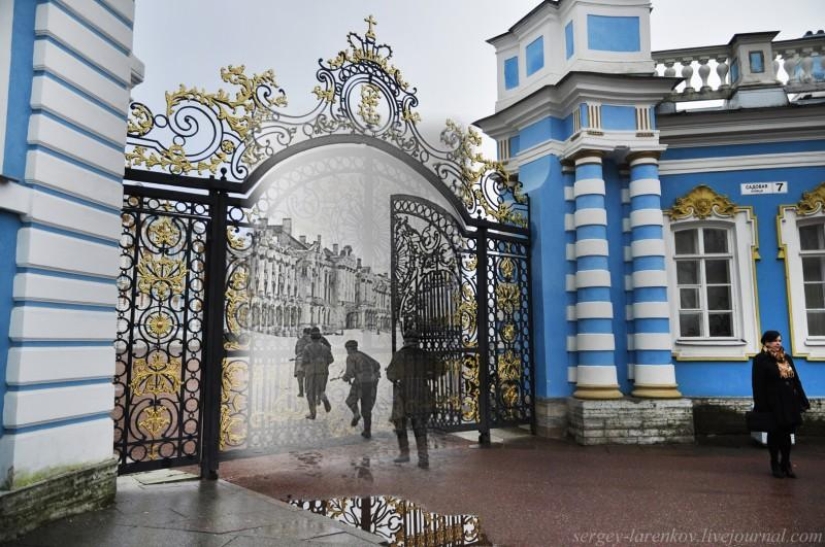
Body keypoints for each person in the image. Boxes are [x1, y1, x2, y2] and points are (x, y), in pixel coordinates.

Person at [752, 330, 810, 478]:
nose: (778, 343)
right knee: (774, 434)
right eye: (775, 340)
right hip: (772, 403)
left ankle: (786, 463)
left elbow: (795, 380)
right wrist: (760, 405)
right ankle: (774, 463)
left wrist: (803, 399)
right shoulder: (760, 360)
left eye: (779, 340)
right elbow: (757, 384)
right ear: (766, 342)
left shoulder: (785, 358)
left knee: (787, 434)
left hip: (789, 401)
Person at [386, 330, 443, 469]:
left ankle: (404, 454)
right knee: (419, 425)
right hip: (421, 392)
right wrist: (430, 374)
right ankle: (423, 459)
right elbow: (442, 368)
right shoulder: (426, 355)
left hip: (404, 392)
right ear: (417, 341)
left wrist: (395, 374)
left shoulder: (400, 355)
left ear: (405, 341)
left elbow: (391, 375)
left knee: (400, 423)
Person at [343, 340, 381, 439]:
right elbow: (377, 364)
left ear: (349, 348)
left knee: (350, 400)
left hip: (361, 382)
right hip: (372, 382)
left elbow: (349, 373)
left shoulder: (351, 357)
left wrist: (345, 377)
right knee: (367, 407)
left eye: (347, 349)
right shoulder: (363, 354)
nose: (347, 351)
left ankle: (356, 414)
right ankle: (367, 431)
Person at [302, 326, 334, 419]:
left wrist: (308, 367)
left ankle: (313, 414)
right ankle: (325, 400)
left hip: (311, 373)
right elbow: (331, 360)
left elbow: (304, 362)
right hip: (323, 372)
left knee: (310, 393)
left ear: (311, 338)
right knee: (320, 390)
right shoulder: (325, 348)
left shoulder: (307, 348)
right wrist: (323, 363)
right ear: (320, 338)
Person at [294, 327, 312, 397]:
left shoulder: (299, 341)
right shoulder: (312, 341)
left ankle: (301, 392)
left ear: (304, 333)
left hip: (299, 360)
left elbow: (296, 352)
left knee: (300, 377)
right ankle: (308, 391)